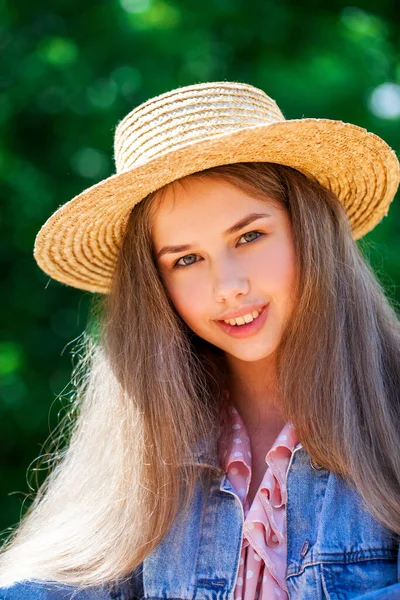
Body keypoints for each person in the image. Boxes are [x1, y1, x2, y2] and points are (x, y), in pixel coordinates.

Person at [0, 81, 399, 600]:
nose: (228, 287)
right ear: (156, 286)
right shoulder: (148, 449)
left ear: (309, 232)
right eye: (186, 259)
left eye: (249, 236)